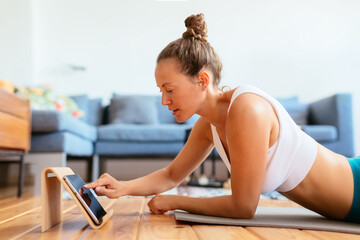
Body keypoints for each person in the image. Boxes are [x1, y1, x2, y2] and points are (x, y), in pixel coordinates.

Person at [84, 13, 359, 222]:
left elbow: (243, 207)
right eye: (160, 91)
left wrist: (176, 202)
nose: (163, 101)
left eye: (169, 90)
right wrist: (122, 188)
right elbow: (171, 174)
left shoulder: (247, 110)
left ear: (202, 80)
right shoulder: (208, 125)